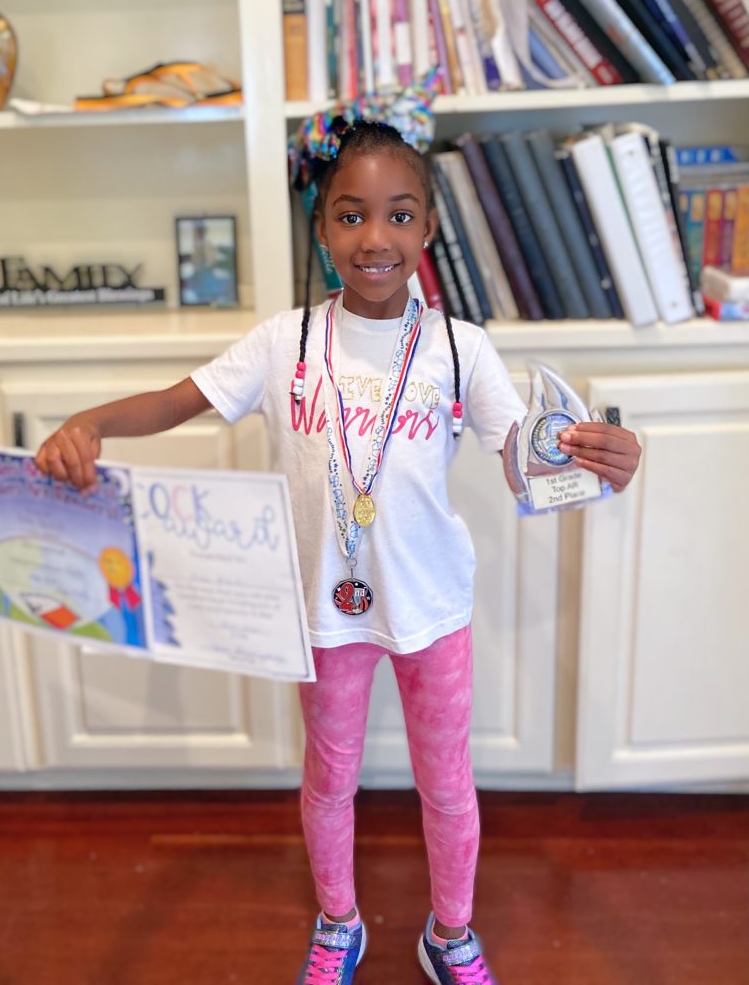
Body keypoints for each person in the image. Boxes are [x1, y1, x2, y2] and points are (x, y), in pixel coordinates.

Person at [35, 89, 642, 984]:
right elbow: (176, 401)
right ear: (321, 227)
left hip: (432, 607)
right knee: (329, 782)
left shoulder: (460, 348)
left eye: (399, 214)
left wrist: (603, 459)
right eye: (351, 215)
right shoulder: (285, 340)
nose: (375, 238)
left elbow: (526, 461)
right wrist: (88, 421)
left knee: (447, 786)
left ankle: (452, 935)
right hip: (321, 613)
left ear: (428, 227)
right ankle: (338, 921)